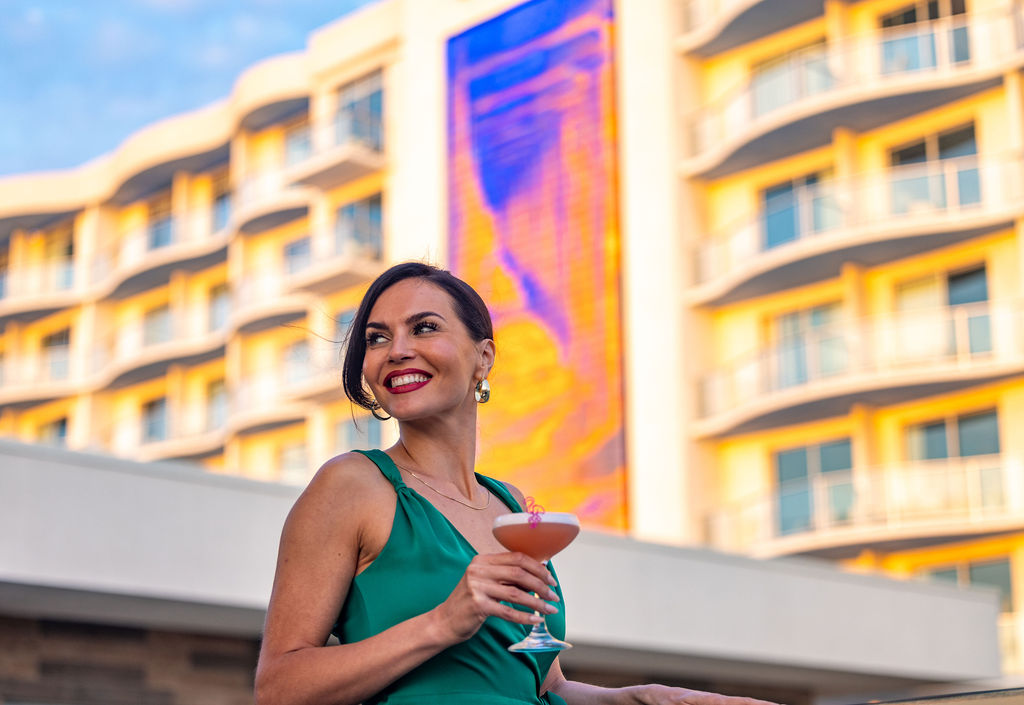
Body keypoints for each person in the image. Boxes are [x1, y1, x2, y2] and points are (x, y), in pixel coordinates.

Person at [255, 262, 779, 705]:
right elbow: (278, 687)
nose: (396, 350)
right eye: (377, 337)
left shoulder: (509, 506)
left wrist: (631, 698)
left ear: (484, 357)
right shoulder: (351, 485)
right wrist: (442, 622)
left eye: (424, 328)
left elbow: (539, 681)